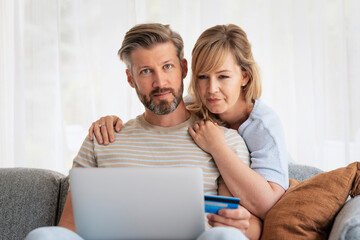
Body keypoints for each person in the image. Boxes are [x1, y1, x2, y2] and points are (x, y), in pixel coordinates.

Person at [26, 23, 261, 240]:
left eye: (167, 66)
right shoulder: (102, 139)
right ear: (131, 78)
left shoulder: (223, 142)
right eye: (146, 71)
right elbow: (68, 228)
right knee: (44, 236)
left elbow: (240, 224)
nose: (160, 82)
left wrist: (239, 223)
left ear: (184, 68)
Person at [90, 24, 291, 220]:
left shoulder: (263, 125)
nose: (211, 89)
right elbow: (156, 112)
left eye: (223, 76)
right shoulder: (195, 105)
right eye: (203, 76)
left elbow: (267, 206)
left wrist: (217, 147)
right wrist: (111, 122)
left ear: (245, 77)